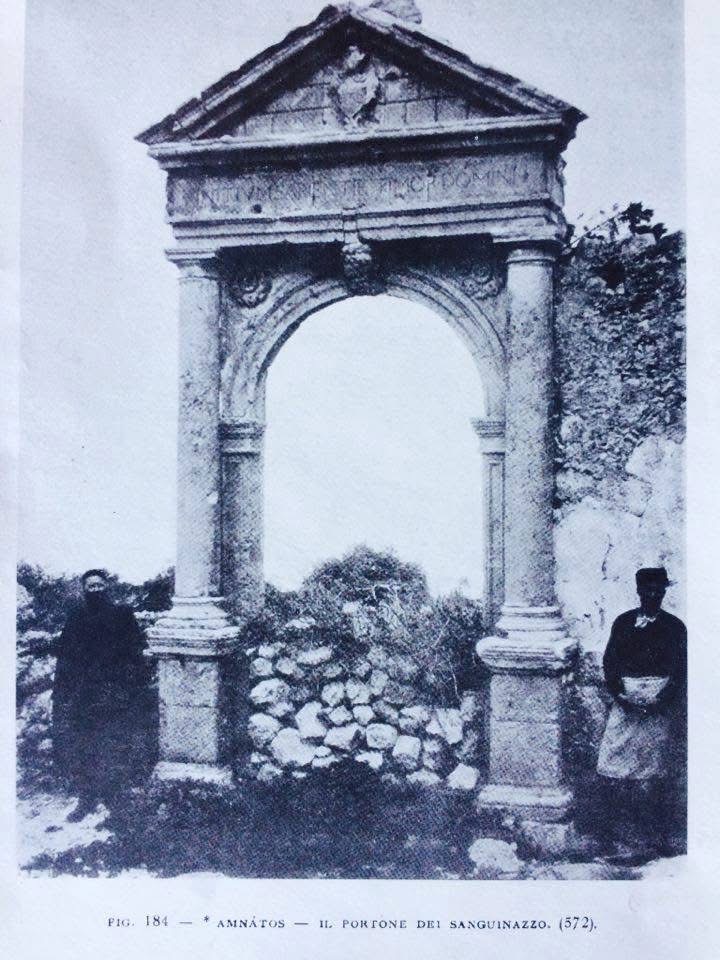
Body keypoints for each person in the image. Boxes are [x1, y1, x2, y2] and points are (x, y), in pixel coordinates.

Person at [596, 567, 687, 858]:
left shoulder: (675, 627)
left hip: (659, 704)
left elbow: (681, 670)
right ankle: (611, 838)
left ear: (664, 592)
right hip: (627, 702)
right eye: (648, 590)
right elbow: (610, 663)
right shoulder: (623, 622)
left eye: (658, 590)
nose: (653, 595)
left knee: (654, 772)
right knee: (611, 764)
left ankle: (655, 840)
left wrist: (660, 700)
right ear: (638, 592)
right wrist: (622, 697)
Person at [52, 569, 155, 821]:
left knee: (114, 743)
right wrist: (62, 691)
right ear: (84, 589)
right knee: (84, 745)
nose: (96, 589)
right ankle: (86, 799)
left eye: (99, 585)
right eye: (91, 586)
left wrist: (132, 685)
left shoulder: (122, 614)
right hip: (85, 694)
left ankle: (114, 798)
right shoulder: (76, 616)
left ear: (107, 587)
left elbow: (136, 651)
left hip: (114, 691)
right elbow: (65, 655)